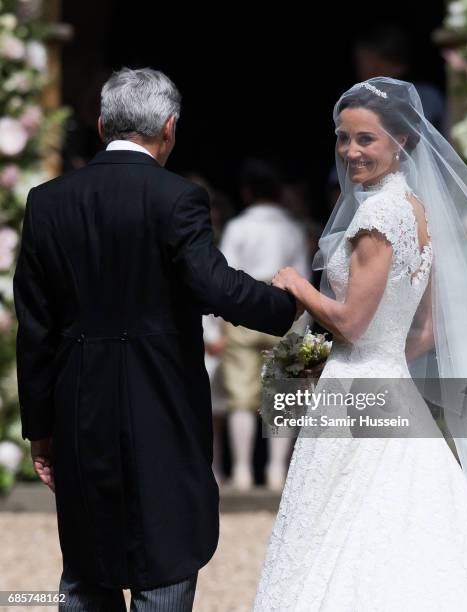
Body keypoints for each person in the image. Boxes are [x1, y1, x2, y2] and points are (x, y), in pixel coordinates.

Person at [13, 67, 299, 612]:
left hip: (79, 407)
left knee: (86, 565)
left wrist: (41, 430)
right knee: (165, 558)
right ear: (169, 128)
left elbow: (36, 327)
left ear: (101, 125)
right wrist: (290, 305)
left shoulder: (47, 201)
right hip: (161, 402)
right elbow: (214, 285)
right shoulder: (178, 197)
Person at [253, 77, 467, 610]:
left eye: (365, 139)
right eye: (342, 138)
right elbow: (428, 328)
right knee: (398, 514)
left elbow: (350, 321)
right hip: (389, 385)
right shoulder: (418, 211)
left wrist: (297, 284)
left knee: (337, 522)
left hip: (356, 390)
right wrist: (387, 359)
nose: (350, 151)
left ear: (402, 142)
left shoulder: (375, 217)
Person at [220, 159, 310, 492]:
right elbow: (301, 279)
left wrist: (215, 325)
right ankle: (275, 472)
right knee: (283, 394)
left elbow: (223, 278)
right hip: (285, 310)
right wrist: (305, 325)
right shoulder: (292, 228)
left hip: (243, 310)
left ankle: (242, 471)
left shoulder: (237, 227)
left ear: (246, 192)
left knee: (240, 394)